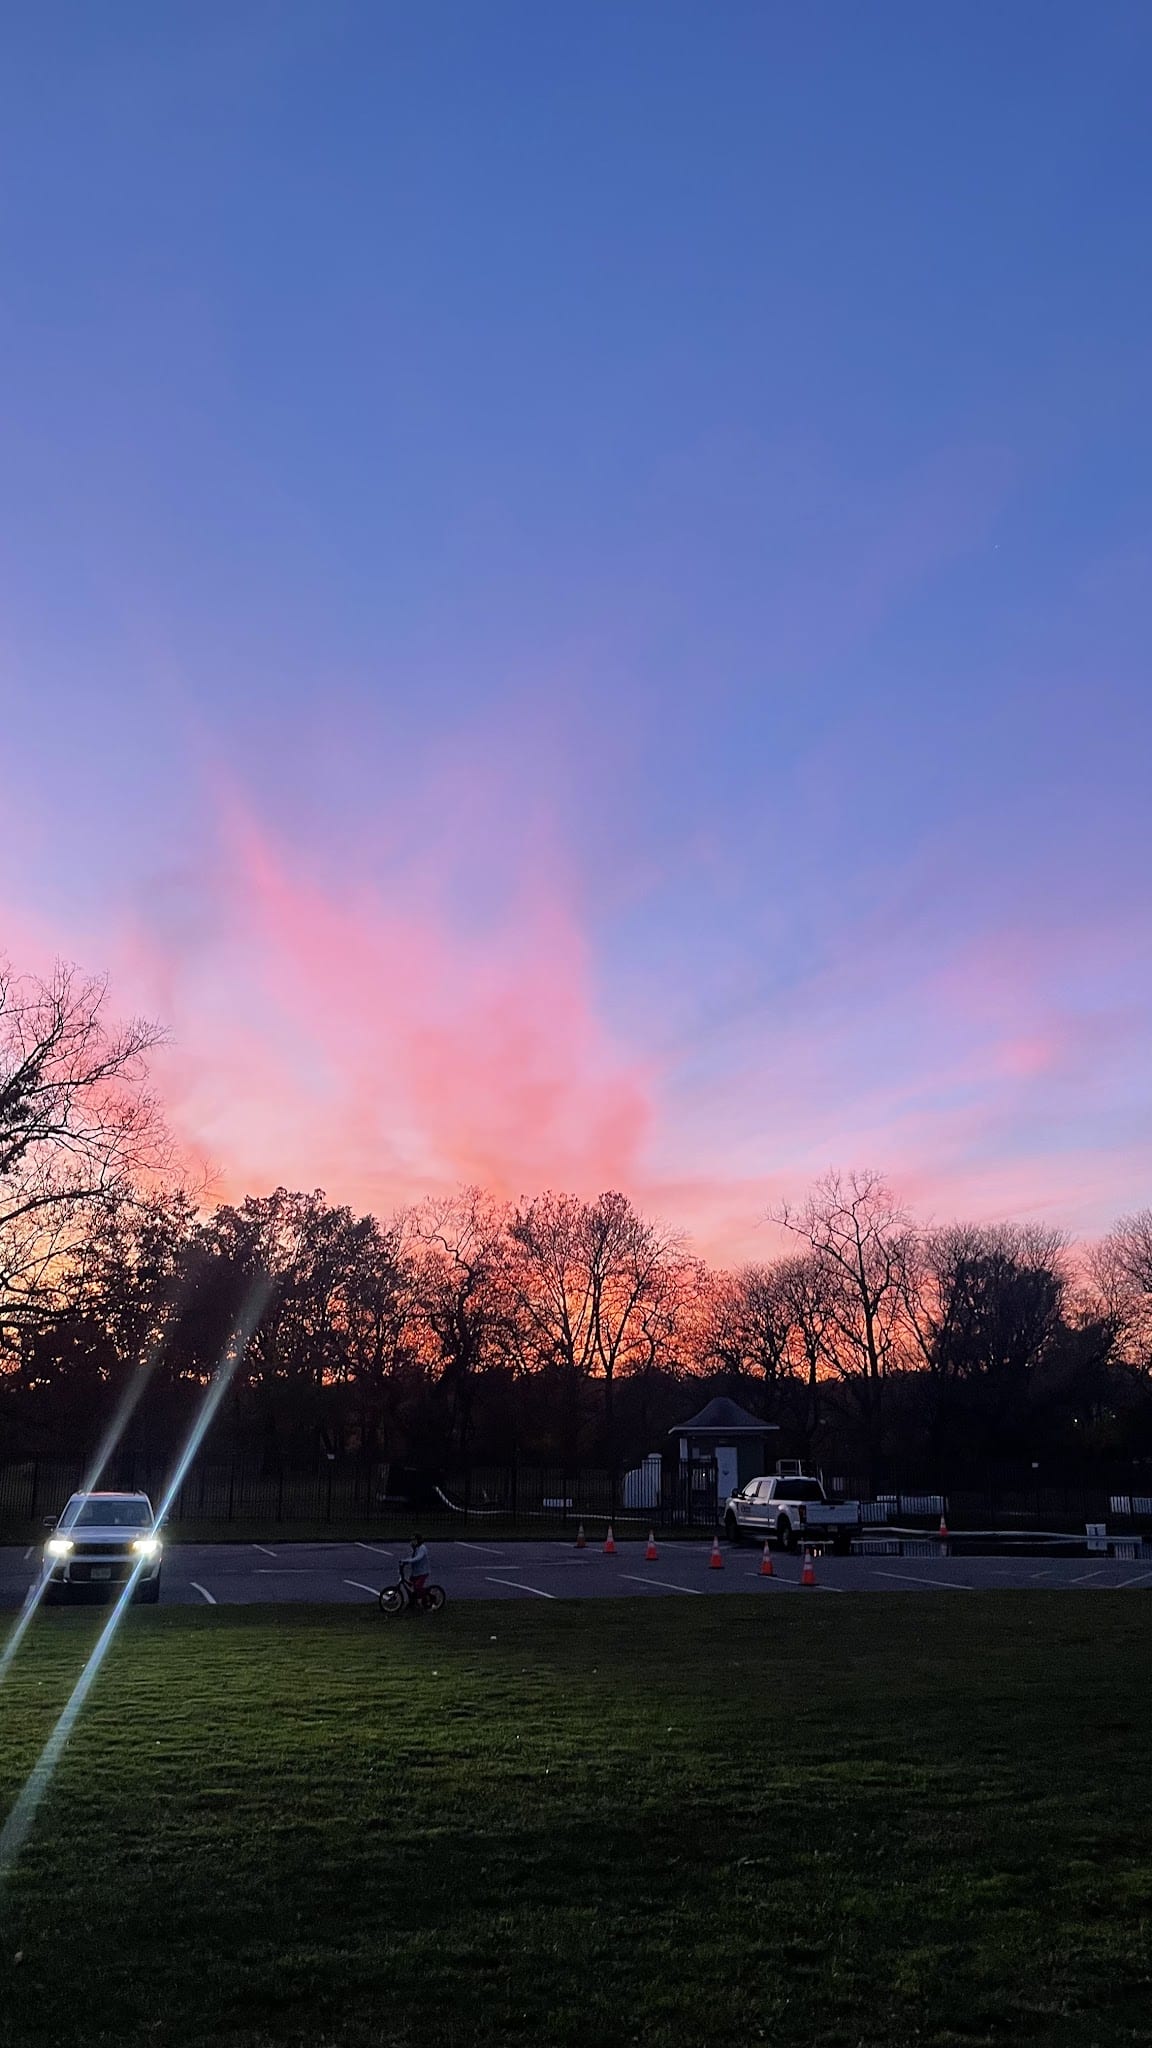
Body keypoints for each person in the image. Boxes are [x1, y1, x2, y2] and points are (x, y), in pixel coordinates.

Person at [400, 1535, 430, 1613]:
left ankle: (426, 1601)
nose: (412, 1542)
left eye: (414, 1540)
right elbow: (412, 1557)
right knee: (409, 1585)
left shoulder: (422, 1548)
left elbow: (418, 1558)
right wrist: (404, 1560)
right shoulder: (415, 1548)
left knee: (417, 1587)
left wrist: (408, 1561)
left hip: (422, 1572)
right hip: (416, 1573)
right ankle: (413, 1602)